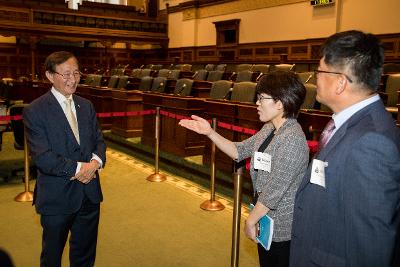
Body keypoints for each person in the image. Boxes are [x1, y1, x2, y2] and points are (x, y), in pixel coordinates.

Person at [290, 30, 400, 267]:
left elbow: (370, 247)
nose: (315, 78)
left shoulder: (372, 143)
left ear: (340, 82)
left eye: (319, 71)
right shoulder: (352, 123)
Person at [179, 70, 309, 267]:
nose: (257, 103)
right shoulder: (270, 128)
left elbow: (274, 191)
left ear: (280, 103)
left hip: (281, 227)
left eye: (261, 98)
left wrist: (250, 221)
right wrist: (210, 133)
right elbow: (239, 151)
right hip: (264, 218)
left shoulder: (292, 139)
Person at [23, 51, 106, 267]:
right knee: (52, 257)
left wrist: (96, 163)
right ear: (50, 76)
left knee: (85, 256)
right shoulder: (35, 110)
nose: (73, 79)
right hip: (56, 197)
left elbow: (99, 141)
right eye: (66, 74)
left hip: (89, 196)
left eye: (76, 73)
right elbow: (43, 157)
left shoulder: (86, 105)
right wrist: (82, 169)